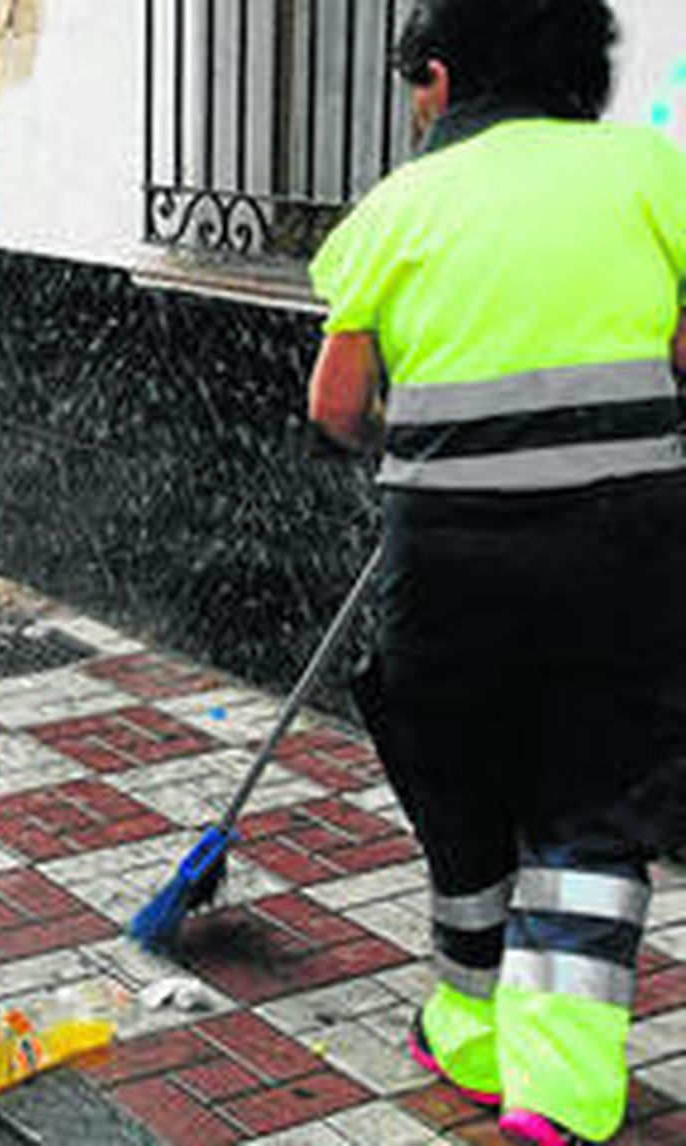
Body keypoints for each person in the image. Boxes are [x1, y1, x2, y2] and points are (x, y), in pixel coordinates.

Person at [306, 1, 686, 1142]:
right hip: (628, 543)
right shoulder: (647, 172)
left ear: (438, 76)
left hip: (451, 553)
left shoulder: (398, 204)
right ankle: (559, 1095)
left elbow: (334, 405)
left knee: (460, 783)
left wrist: (416, 445)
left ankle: (467, 1036)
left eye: (412, 87)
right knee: (591, 799)